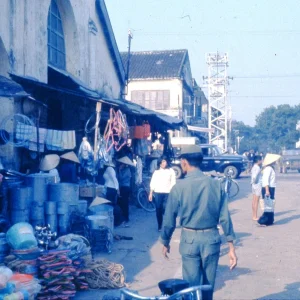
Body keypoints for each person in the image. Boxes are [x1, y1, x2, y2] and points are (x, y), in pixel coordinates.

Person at [160, 145, 237, 300]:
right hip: (211, 239)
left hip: (189, 241)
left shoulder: (178, 187)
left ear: (184, 162)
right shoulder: (216, 185)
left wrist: (165, 241)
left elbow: (169, 219)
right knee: (208, 288)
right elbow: (225, 218)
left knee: (191, 289)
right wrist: (231, 247)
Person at [149, 156, 176, 232]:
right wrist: (151, 193)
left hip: (167, 193)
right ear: (159, 163)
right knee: (158, 209)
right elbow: (153, 182)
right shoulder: (156, 172)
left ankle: (167, 224)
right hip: (158, 192)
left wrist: (172, 192)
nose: (163, 163)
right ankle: (160, 225)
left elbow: (173, 182)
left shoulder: (171, 171)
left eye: (164, 161)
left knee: (166, 209)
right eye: (162, 162)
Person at [258, 153, 281, 226]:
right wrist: (267, 190)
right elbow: (265, 180)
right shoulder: (268, 169)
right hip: (268, 188)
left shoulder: (269, 168)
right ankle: (265, 220)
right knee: (268, 205)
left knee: (270, 205)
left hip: (270, 187)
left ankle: (270, 220)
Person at [117, 156, 135, 226]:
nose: (121, 165)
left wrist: (119, 170)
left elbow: (121, 178)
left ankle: (126, 218)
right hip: (123, 187)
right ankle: (124, 217)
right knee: (122, 203)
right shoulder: (124, 170)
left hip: (125, 188)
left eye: (122, 164)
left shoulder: (127, 170)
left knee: (124, 203)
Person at [251, 155, 263, 221]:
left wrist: (253, 183)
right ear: (258, 161)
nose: (261, 161)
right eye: (261, 160)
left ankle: (253, 215)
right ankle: (255, 216)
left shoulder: (254, 167)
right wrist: (255, 182)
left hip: (253, 185)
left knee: (254, 200)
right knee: (256, 201)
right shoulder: (258, 168)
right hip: (257, 185)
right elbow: (254, 177)